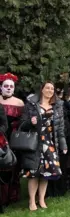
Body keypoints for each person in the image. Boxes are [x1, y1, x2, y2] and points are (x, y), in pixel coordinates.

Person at [20, 82, 67, 211]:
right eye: (47, 88)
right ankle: (31, 201)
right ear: (41, 89)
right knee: (34, 173)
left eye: (52, 89)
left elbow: (60, 128)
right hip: (35, 142)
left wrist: (63, 144)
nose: (50, 90)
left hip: (50, 143)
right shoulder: (31, 105)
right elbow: (22, 124)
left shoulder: (57, 106)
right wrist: (31, 122)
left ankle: (41, 199)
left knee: (46, 173)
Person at [0, 73, 23, 208]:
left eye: (11, 86)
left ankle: (12, 195)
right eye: (6, 86)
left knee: (13, 166)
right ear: (1, 87)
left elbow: (23, 122)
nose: (8, 88)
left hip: (13, 138)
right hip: (1, 137)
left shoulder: (19, 102)